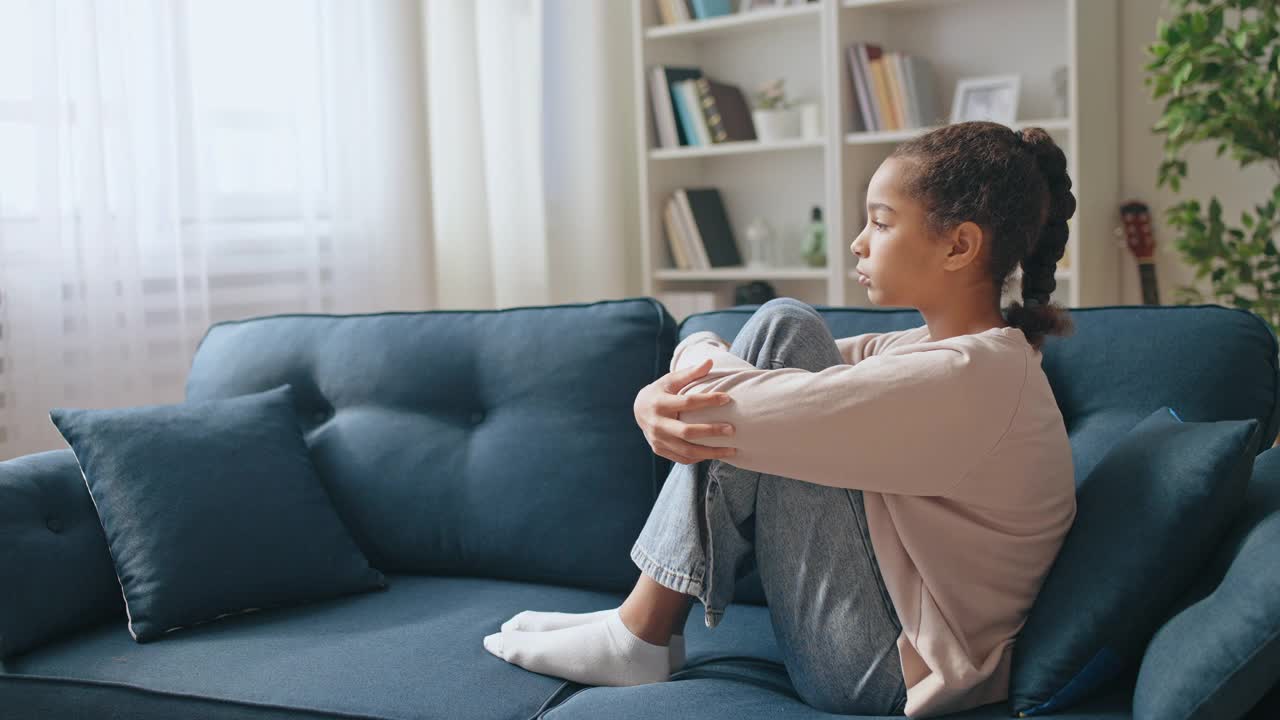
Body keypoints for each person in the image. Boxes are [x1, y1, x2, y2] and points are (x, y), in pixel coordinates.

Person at [482, 121, 1079, 718]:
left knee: (782, 324)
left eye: (881, 221)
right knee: (782, 333)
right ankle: (638, 626)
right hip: (886, 638)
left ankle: (639, 632)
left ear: (959, 245)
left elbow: (743, 401)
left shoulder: (967, 378)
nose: (858, 243)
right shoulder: (939, 353)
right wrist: (675, 382)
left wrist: (672, 378)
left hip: (886, 672)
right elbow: (769, 375)